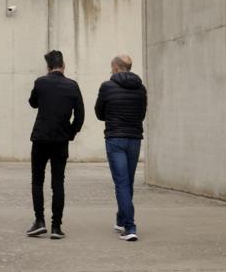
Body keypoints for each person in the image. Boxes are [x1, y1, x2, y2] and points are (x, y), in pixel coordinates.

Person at [26, 49, 85, 239]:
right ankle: (56, 227)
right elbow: (80, 115)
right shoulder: (72, 85)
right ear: (64, 66)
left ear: (48, 67)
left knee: (37, 180)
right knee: (58, 183)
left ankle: (39, 221)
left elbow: (33, 103)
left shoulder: (41, 82)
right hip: (61, 140)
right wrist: (71, 133)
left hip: (41, 138)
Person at [94, 54, 147, 242]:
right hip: (134, 138)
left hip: (115, 138)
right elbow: (142, 113)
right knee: (127, 181)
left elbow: (99, 113)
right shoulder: (141, 88)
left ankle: (130, 226)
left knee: (121, 182)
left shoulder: (107, 87)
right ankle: (121, 219)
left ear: (116, 67)